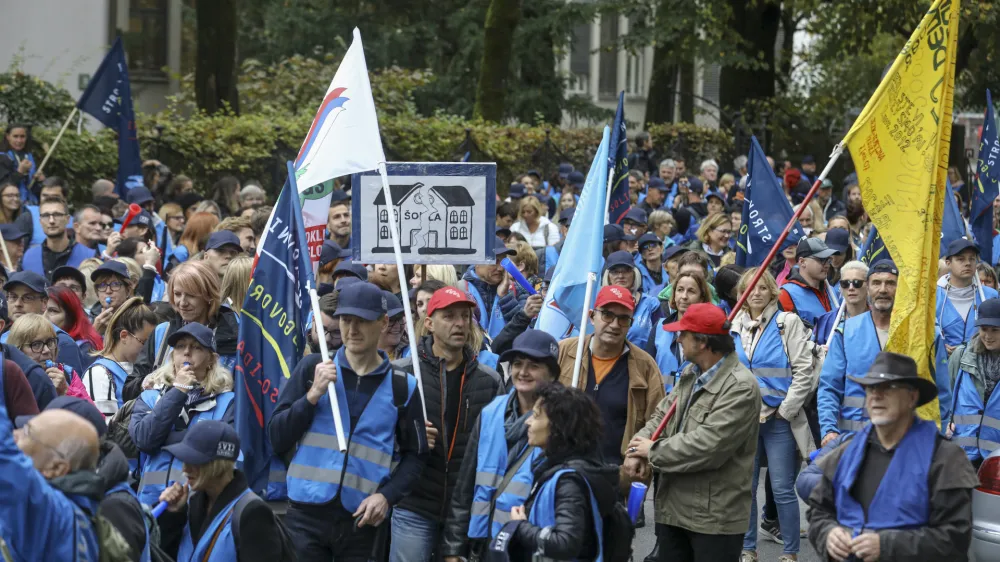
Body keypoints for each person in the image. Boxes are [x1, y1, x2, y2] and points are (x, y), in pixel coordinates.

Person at [268, 281, 428, 561]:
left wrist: (386, 497)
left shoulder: (403, 386)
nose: (351, 330)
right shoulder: (312, 369)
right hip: (305, 515)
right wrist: (311, 396)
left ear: (383, 322)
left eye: (362, 321)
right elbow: (276, 436)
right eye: (346, 320)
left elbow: (417, 456)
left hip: (361, 521)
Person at [803, 351, 978, 562]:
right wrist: (828, 534)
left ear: (912, 397)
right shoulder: (847, 452)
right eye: (871, 388)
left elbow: (954, 539)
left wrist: (887, 546)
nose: (876, 395)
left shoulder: (945, 458)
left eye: (888, 388)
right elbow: (819, 511)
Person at [625, 302, 761, 561]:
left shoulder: (740, 387)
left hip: (713, 520)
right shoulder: (691, 372)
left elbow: (709, 446)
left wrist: (651, 451)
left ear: (701, 343)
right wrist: (637, 449)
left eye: (683, 334)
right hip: (674, 511)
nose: (677, 338)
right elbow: (662, 416)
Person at [388, 286, 504, 562]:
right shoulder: (402, 373)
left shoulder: (488, 380)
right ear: (428, 323)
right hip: (413, 503)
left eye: (465, 316)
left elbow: (498, 445)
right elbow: (377, 434)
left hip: (463, 509)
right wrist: (407, 437)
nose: (460, 323)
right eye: (449, 316)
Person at [441, 329, 560, 559]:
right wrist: (453, 548)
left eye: (533, 365)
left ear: (552, 374)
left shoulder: (562, 422)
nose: (523, 372)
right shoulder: (491, 412)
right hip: (484, 545)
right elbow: (465, 487)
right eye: (517, 364)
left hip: (526, 547)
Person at [731, 269, 818, 562]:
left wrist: (786, 410)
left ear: (772, 291)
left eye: (762, 288)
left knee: (782, 488)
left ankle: (790, 552)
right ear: (742, 293)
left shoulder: (787, 322)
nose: (756, 293)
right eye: (749, 288)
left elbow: (804, 370)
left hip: (778, 419)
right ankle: (747, 548)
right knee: (746, 488)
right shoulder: (733, 325)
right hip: (744, 420)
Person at [129, 323, 235, 552]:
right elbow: (145, 439)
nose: (186, 352)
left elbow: (223, 455)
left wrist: (168, 438)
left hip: (198, 511)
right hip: (153, 506)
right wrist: (178, 392)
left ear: (212, 359)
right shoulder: (149, 397)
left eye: (196, 347)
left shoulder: (228, 402)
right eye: (180, 346)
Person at [503, 384, 618, 562]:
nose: (528, 421)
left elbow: (565, 543)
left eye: (535, 416)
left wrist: (520, 526)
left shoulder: (569, 481)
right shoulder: (559, 467)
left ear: (557, 426)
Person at [558, 285, 665, 469]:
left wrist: (638, 460)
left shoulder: (645, 366)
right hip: (561, 470)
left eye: (624, 319)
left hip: (615, 477)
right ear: (592, 316)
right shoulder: (564, 352)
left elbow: (658, 421)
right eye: (607, 315)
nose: (615, 325)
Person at [157, 420, 286, 561]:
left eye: (194, 461)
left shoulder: (253, 513)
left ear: (218, 465)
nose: (185, 469)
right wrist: (172, 515)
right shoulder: (190, 504)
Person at [0, 400, 106, 560]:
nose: (14, 434)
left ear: (56, 468)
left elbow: (4, 453)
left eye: (27, 432)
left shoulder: (49, 513)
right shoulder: (74, 514)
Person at [128, 260, 239, 399]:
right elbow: (130, 388)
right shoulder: (162, 332)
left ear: (209, 295)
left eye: (191, 295)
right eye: (177, 294)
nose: (182, 302)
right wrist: (146, 383)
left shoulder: (233, 335)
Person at [818, 261, 898, 445]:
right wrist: (829, 429)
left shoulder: (918, 333)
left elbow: (940, 391)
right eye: (877, 283)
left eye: (891, 283)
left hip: (903, 440)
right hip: (854, 440)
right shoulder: (846, 332)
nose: (883, 289)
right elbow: (830, 385)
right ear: (868, 288)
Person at [83, 297, 158, 417]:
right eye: (144, 343)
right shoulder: (100, 373)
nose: (148, 351)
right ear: (124, 336)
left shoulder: (140, 368)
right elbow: (106, 428)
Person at [3, 271, 86, 375]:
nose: (18, 304)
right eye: (13, 297)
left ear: (44, 303)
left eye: (28, 297)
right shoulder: (4, 338)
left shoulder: (61, 341)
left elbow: (74, 388)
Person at [950, 298, 1000, 467]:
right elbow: (946, 396)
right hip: (961, 453)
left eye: (995, 330)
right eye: (984, 329)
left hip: (995, 457)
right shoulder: (962, 355)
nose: (988, 336)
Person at [645, 271, 711, 394]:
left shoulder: (709, 333)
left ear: (702, 298)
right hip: (661, 403)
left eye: (691, 291)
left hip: (695, 403)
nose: (684, 296)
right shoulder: (659, 327)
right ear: (674, 294)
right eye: (680, 290)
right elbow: (646, 371)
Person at [8, 313, 93, 403]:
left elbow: (92, 415)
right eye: (36, 344)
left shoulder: (67, 373)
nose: (47, 350)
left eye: (50, 342)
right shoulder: (8, 378)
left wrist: (65, 391)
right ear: (18, 349)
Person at [938, 239, 999, 353]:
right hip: (943, 366)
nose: (967, 263)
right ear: (948, 263)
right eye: (961, 259)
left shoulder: (991, 296)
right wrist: (939, 347)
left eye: (972, 259)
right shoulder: (934, 297)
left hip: (981, 366)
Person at [602, 251, 663, 349]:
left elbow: (661, 339)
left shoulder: (651, 304)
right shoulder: (600, 303)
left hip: (643, 361)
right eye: (615, 271)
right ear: (608, 276)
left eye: (626, 270)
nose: (621, 276)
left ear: (635, 274)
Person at [21, 198, 96, 276]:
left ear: (67, 219)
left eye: (57, 215)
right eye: (46, 215)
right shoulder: (28, 257)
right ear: (40, 221)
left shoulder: (88, 256)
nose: (51, 221)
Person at [462, 236, 518, 339]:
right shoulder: (460, 289)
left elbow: (521, 328)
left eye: (503, 262)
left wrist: (505, 297)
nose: (500, 268)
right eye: (494, 262)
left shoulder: (516, 290)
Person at [778, 238, 836, 327]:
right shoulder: (785, 294)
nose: (827, 265)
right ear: (802, 262)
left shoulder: (830, 290)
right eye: (821, 259)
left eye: (828, 260)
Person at [813, 260, 869, 346]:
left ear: (868, 285)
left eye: (857, 283)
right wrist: (821, 353)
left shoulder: (879, 320)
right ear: (841, 288)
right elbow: (811, 355)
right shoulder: (825, 322)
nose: (851, 288)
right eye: (845, 283)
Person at [45, 285, 102, 362]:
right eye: (42, 310)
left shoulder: (84, 348)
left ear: (71, 317)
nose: (44, 316)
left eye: (53, 311)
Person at [89, 260, 139, 336]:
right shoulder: (88, 320)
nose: (108, 291)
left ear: (128, 290)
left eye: (115, 284)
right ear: (97, 293)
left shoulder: (139, 318)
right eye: (102, 286)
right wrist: (95, 333)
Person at [1, 124, 39, 203]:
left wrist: (40, 180)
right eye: (15, 136)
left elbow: (34, 189)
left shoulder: (29, 157)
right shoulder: (2, 157)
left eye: (22, 136)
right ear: (8, 137)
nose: (19, 140)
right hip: (9, 206)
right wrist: (20, 172)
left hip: (30, 204)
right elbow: (3, 186)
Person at [378, 291, 406, 359]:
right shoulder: (358, 357)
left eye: (400, 319)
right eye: (390, 320)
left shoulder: (414, 354)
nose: (397, 326)